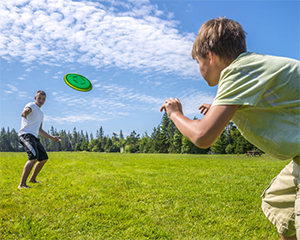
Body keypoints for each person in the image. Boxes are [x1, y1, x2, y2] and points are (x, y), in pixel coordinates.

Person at [160, 17, 300, 240]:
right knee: (281, 204)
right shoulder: (248, 69)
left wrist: (175, 114)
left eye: (198, 62)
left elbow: (202, 136)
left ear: (209, 55)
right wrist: (216, 106)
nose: (199, 69)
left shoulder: (237, 72)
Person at [18, 90, 61, 189]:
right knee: (33, 157)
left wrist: (52, 137)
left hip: (34, 137)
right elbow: (27, 110)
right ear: (35, 98)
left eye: (43, 99)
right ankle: (22, 184)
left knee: (43, 158)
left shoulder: (41, 113)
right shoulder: (31, 105)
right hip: (26, 135)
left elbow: (40, 130)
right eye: (39, 98)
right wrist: (25, 112)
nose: (41, 100)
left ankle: (32, 179)